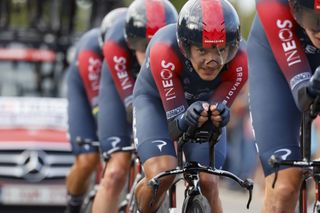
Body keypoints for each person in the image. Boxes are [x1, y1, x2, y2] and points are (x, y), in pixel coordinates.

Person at [132, 0, 248, 212]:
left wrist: (220, 114)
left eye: (221, 50)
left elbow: (215, 113)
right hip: (156, 102)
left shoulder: (241, 60)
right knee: (162, 174)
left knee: (208, 181)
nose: (212, 60)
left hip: (199, 103)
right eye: (202, 51)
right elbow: (175, 127)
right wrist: (185, 118)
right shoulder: (163, 49)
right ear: (185, 46)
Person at [92, 0, 178, 212]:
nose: (150, 51)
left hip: (154, 89)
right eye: (144, 44)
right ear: (131, 40)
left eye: (159, 43)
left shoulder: (177, 47)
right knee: (115, 171)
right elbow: (132, 103)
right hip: (120, 88)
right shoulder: (115, 42)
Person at [247, 0, 320, 212]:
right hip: (275, 64)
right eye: (311, 17)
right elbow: (303, 96)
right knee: (284, 188)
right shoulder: (274, 4)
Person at [65, 8, 127, 213]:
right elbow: (97, 104)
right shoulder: (90, 51)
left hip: (113, 93)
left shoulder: (130, 51)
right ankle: (73, 203)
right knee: (88, 159)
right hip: (85, 93)